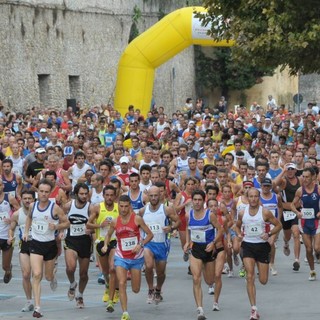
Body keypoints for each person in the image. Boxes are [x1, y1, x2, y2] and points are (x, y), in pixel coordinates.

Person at [23, 178, 69, 318]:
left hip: (50, 245)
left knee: (47, 277)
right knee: (37, 274)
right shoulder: (33, 206)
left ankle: (53, 274)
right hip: (35, 244)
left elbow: (66, 223)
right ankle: (37, 307)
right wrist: (26, 232)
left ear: (50, 193)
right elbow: (29, 218)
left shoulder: (55, 208)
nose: (43, 194)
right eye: (41, 191)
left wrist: (56, 227)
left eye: (46, 192)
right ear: (38, 192)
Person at [101, 195, 153, 320]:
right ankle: (125, 313)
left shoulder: (137, 219)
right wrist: (105, 245)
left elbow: (150, 235)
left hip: (136, 258)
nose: (123, 209)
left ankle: (125, 307)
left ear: (129, 206)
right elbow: (108, 235)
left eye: (126, 206)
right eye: (121, 206)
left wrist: (140, 245)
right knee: (122, 282)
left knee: (136, 289)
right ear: (118, 206)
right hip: (121, 257)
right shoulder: (115, 221)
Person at [235, 188, 282, 320]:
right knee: (250, 277)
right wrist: (239, 234)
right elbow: (237, 225)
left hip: (262, 247)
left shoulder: (265, 212)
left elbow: (278, 225)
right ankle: (253, 309)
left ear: (259, 197)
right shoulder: (242, 213)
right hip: (248, 246)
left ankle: (258, 267)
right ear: (247, 198)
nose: (254, 199)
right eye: (251, 196)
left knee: (263, 280)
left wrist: (269, 234)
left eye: (256, 196)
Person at [184, 190, 223, 320]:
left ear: (203, 201)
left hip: (208, 249)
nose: (197, 202)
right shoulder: (189, 215)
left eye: (199, 200)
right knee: (196, 278)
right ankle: (200, 310)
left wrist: (213, 243)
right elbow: (188, 229)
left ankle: (212, 287)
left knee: (209, 280)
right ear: (192, 200)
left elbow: (220, 230)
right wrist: (187, 242)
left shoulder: (209, 215)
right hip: (195, 249)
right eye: (195, 200)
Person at [139, 186, 180, 304]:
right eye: (151, 195)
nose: (153, 198)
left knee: (161, 272)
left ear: (160, 195)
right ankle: (150, 289)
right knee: (148, 265)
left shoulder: (166, 209)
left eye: (155, 195)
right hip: (148, 244)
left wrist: (171, 227)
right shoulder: (143, 210)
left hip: (162, 244)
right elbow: (137, 224)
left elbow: (178, 221)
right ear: (148, 196)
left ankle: (158, 289)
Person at [87, 185, 120, 310]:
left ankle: (114, 292)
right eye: (107, 195)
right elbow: (88, 224)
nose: (109, 197)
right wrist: (100, 225)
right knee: (106, 272)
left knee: (113, 269)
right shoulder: (97, 208)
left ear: (115, 196)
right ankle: (108, 285)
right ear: (104, 196)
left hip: (115, 241)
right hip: (101, 242)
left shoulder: (119, 207)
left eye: (112, 195)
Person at [63, 183, 92, 308]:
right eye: (81, 193)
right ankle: (72, 283)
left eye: (86, 193)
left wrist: (91, 230)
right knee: (70, 267)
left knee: (84, 274)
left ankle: (79, 295)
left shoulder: (91, 208)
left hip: (85, 242)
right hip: (71, 240)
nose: (84, 196)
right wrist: (60, 232)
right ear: (76, 194)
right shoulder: (68, 206)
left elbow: (95, 224)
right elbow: (61, 220)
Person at [8, 189, 35, 312]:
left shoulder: (38, 211)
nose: (27, 200)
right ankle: (29, 301)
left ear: (33, 199)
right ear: (21, 200)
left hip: (39, 245)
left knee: (38, 274)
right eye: (25, 198)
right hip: (24, 245)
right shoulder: (17, 214)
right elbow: (12, 228)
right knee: (26, 274)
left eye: (30, 198)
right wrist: (10, 236)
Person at [291, 167, 320, 281]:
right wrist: (297, 212)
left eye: (307, 176)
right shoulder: (300, 190)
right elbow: (293, 204)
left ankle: (318, 254)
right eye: (303, 176)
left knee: (317, 248)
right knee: (308, 249)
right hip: (304, 222)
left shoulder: (318, 189)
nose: (305, 179)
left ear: (313, 177)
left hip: (317, 221)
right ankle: (312, 271)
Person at [0, 177, 20, 285]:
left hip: (7, 235)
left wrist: (12, 219)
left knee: (5, 265)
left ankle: (8, 270)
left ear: (2, 186)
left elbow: (19, 211)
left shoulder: (10, 198)